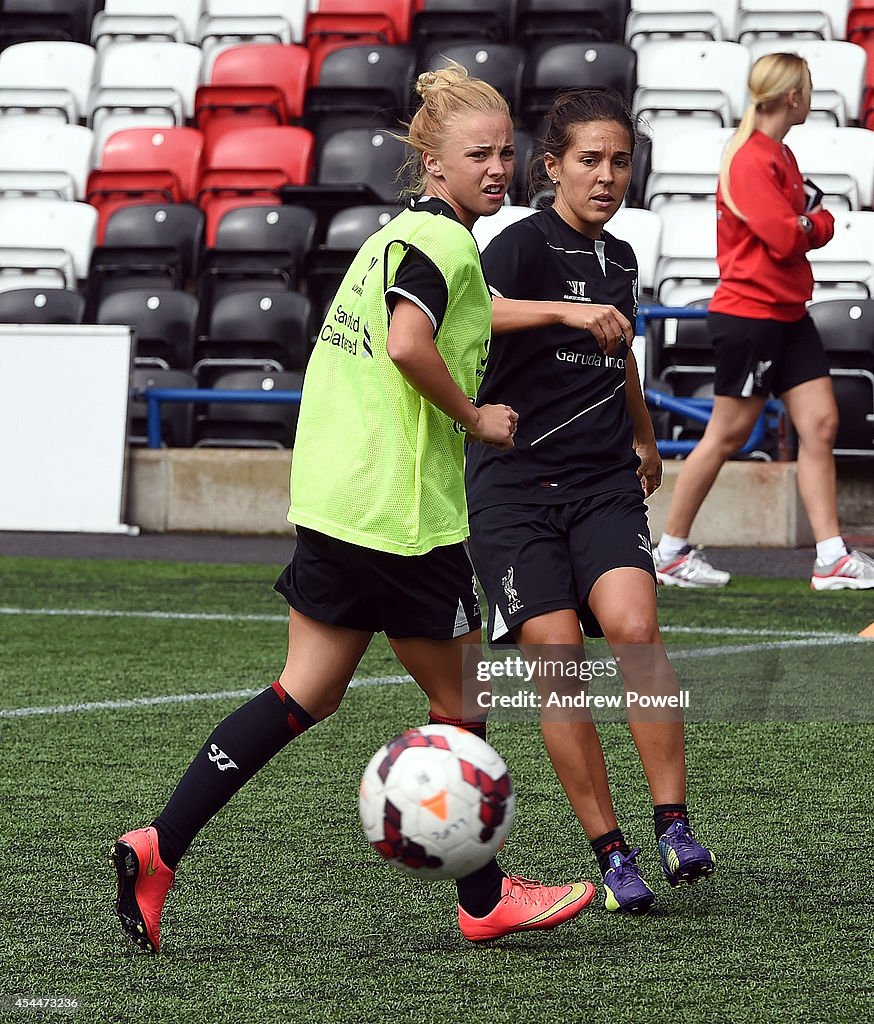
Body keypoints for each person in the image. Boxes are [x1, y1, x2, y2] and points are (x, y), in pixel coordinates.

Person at [110, 64, 596, 954]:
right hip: (403, 515)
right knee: (465, 704)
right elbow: (413, 344)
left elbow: (470, 308)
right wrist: (478, 418)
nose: (497, 168)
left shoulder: (396, 239)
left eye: (505, 153)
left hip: (335, 500)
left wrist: (567, 313)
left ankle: (159, 845)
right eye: (476, 155)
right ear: (433, 163)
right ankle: (485, 897)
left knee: (306, 690)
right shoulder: (448, 244)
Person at [465, 87, 717, 915]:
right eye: (589, 161)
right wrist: (565, 310)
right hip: (514, 489)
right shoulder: (517, 245)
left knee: (637, 631)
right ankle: (610, 852)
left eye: (619, 162)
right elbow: (472, 317)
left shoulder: (620, 259)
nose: (607, 176)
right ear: (552, 167)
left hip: (603, 479)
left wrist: (644, 437)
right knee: (559, 662)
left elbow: (621, 354)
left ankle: (673, 823)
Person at [653, 52, 874, 591]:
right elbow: (785, 236)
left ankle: (830, 557)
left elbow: (799, 227)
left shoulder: (779, 154)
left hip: (788, 313)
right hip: (750, 315)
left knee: (820, 421)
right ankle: (671, 551)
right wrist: (814, 222)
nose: (813, 97)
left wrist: (806, 223)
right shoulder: (752, 158)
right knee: (728, 432)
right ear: (792, 96)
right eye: (809, 88)